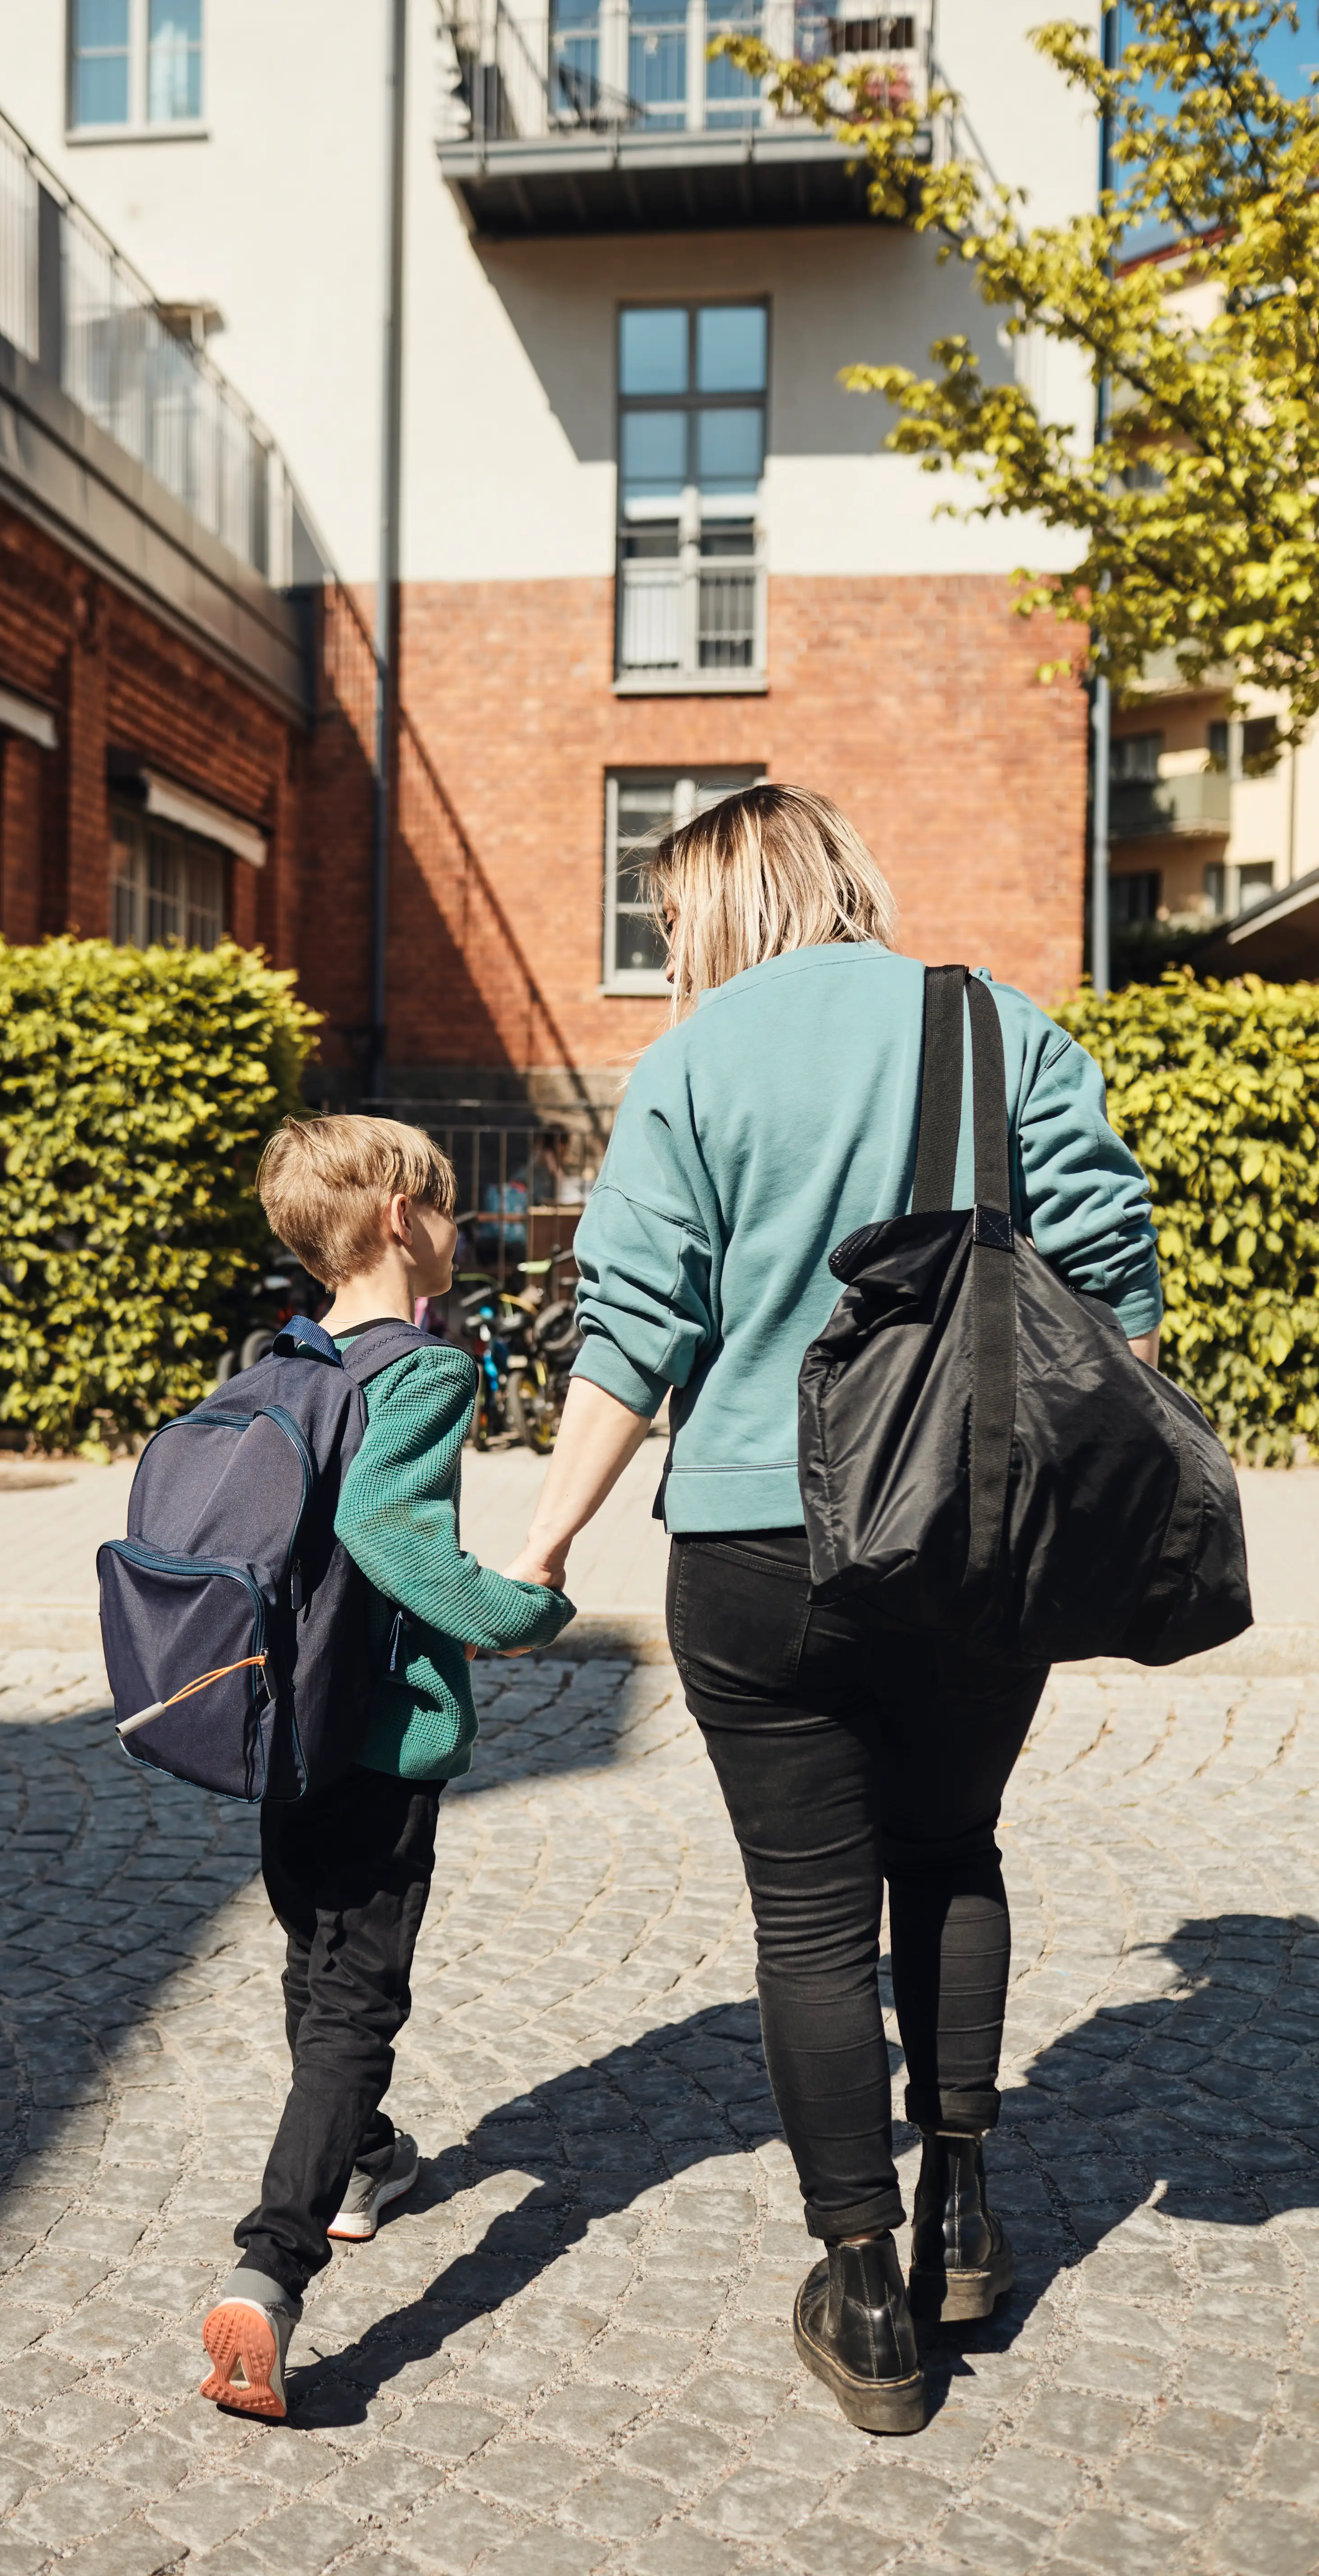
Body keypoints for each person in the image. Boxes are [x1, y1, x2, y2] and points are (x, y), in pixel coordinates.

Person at [505, 784, 1161, 2435]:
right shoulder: (1002, 1028)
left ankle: (865, 2301)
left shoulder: (701, 1064)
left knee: (810, 1921)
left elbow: (633, 1331)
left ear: (722, 912)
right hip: (971, 1544)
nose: (670, 957)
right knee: (953, 1856)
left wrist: (543, 1542)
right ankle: (967, 2222)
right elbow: (1115, 1288)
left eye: (674, 927)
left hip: (757, 1546)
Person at [201, 1114, 574, 2420]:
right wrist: (517, 1609)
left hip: (277, 1728)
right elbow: (382, 1529)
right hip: (376, 1734)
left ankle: (366, 2157)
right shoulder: (424, 1368)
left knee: (313, 1959)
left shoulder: (285, 1362)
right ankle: (273, 2264)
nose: (460, 1227)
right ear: (399, 1222)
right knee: (358, 1993)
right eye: (451, 1207)